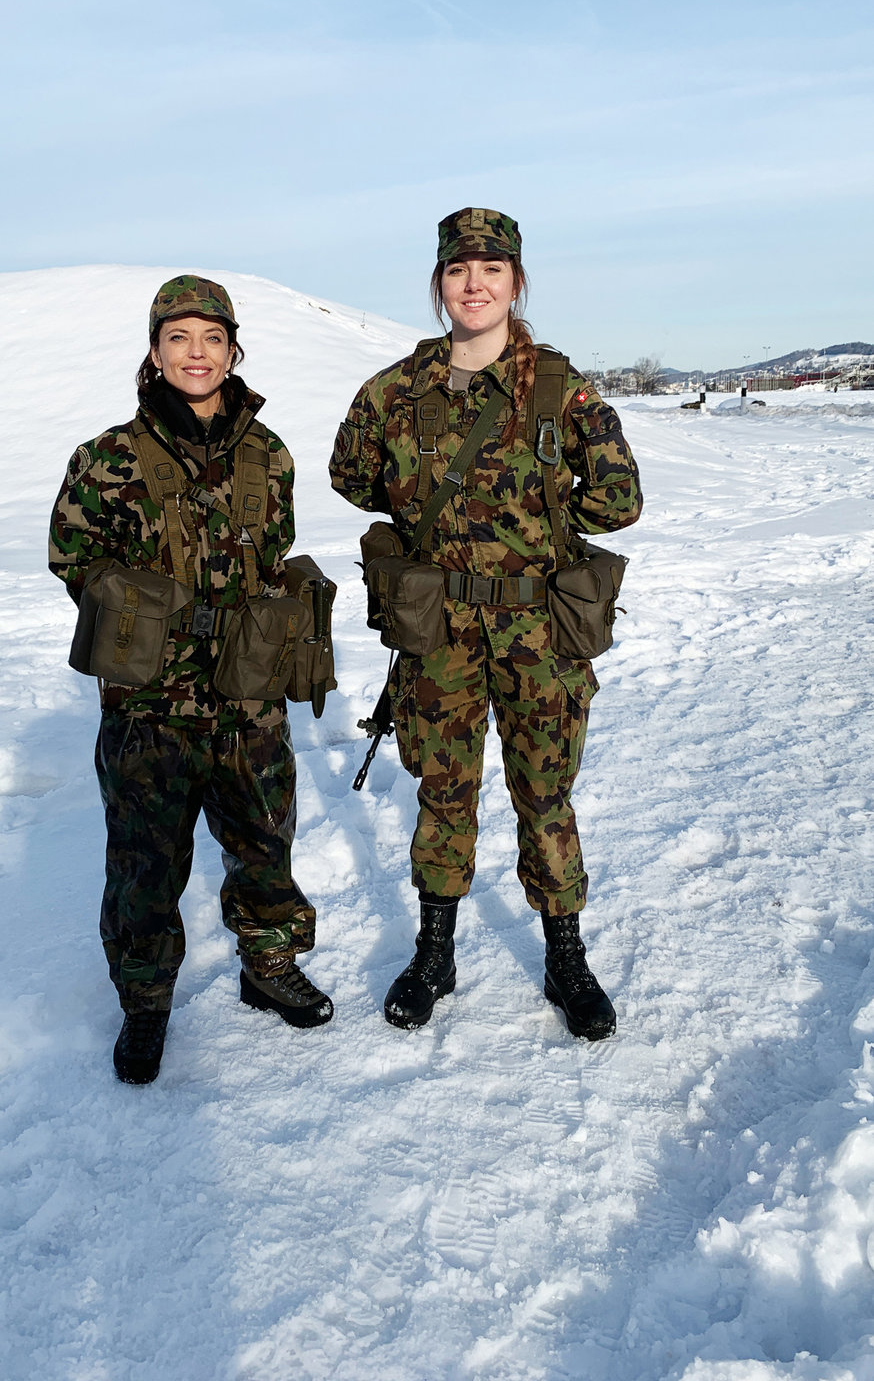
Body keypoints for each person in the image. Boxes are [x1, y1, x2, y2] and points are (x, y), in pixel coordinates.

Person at [329, 209, 642, 1039]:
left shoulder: (559, 388)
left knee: (546, 794)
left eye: (491, 270)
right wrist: (422, 519)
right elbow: (351, 475)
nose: (474, 285)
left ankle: (566, 957)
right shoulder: (395, 390)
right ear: (439, 284)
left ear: (516, 282)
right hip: (439, 632)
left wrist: (547, 522)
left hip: (539, 631)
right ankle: (435, 953)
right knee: (443, 793)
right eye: (459, 270)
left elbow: (620, 498)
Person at [50, 275, 332, 1085]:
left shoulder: (268, 454)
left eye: (212, 338)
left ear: (234, 351)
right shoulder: (106, 457)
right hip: (149, 698)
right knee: (145, 859)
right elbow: (72, 557)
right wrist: (145, 607)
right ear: (154, 351)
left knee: (264, 841)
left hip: (249, 692)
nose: (196, 353)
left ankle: (268, 965)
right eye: (178, 338)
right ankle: (145, 1002)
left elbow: (272, 551)